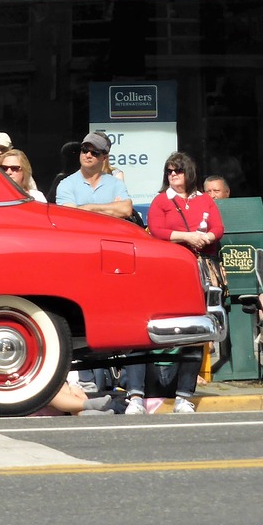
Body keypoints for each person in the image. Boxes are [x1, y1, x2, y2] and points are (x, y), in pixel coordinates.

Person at [125, 152, 225, 414]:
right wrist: (188, 237)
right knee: (147, 328)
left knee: (193, 332)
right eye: (169, 171)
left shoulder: (204, 200)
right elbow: (157, 230)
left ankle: (184, 396)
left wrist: (205, 238)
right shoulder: (161, 201)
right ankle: (135, 395)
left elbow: (218, 228)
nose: (172, 175)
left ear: (188, 173)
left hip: (199, 271)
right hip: (167, 272)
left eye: (177, 171)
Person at [54, 132, 133, 219]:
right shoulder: (66, 184)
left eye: (94, 153)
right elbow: (71, 215)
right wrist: (112, 208)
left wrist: (87, 208)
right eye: (84, 150)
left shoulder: (116, 184)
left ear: (104, 158)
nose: (88, 155)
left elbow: (126, 210)